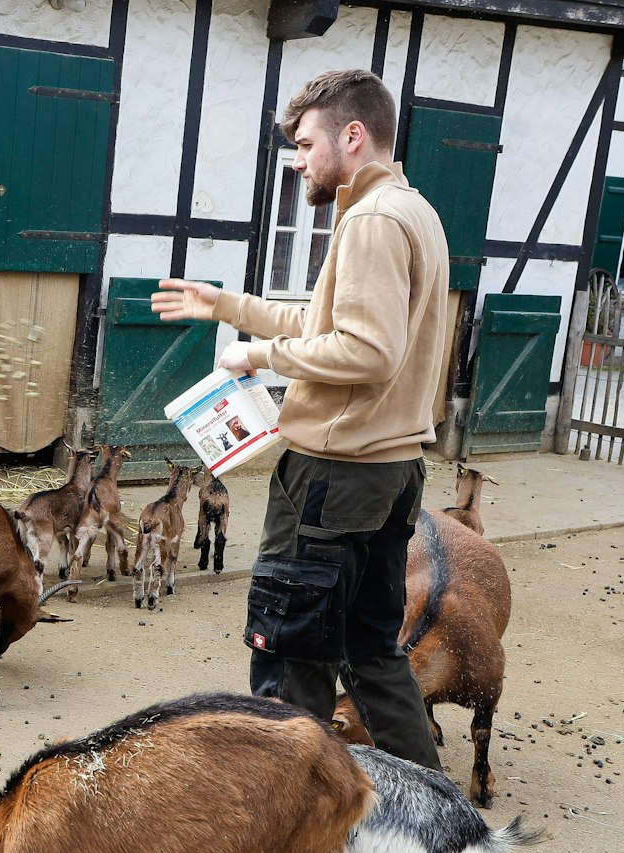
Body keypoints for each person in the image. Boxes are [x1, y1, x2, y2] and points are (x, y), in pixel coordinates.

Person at [150, 68, 449, 770]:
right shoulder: (411, 210)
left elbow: (365, 351)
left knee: (289, 653)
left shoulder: (371, 221)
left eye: (306, 143)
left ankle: (295, 827)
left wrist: (258, 356)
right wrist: (227, 305)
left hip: (334, 478)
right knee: (370, 653)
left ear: (353, 135)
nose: (298, 159)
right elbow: (327, 323)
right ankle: (439, 823)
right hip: (390, 471)